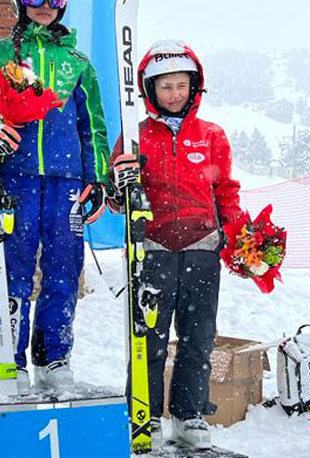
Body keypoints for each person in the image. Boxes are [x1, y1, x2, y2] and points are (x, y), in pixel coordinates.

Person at [0, 0, 111, 394]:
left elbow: (93, 125)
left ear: (64, 3)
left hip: (66, 181)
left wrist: (96, 178)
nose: (44, 4)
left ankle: (53, 357)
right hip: (14, 178)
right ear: (18, 0)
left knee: (64, 269)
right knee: (13, 270)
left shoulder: (77, 63)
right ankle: (9, 358)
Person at [109, 40, 242, 449]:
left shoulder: (211, 135)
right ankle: (144, 415)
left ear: (194, 86)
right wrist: (118, 184)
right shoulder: (135, 136)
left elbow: (225, 190)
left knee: (198, 337)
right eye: (166, 86)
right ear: (150, 90)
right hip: (153, 249)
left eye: (182, 85)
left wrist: (238, 233)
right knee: (148, 339)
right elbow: (117, 200)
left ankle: (189, 414)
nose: (174, 94)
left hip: (202, 248)